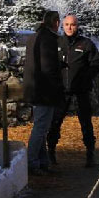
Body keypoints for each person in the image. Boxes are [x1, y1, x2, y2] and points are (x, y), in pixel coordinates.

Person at [47, 14, 99, 167]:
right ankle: (51, 151)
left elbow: (97, 63)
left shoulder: (86, 44)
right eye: (66, 25)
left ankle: (90, 153)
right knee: (55, 121)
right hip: (61, 90)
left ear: (77, 26)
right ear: (62, 26)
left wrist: (86, 76)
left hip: (81, 89)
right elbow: (48, 64)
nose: (70, 27)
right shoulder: (56, 43)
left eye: (72, 24)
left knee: (85, 121)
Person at [23, 11, 65, 176]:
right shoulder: (48, 39)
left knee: (40, 126)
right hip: (45, 90)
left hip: (34, 88)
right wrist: (58, 83)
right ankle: (32, 162)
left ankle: (41, 161)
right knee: (41, 128)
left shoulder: (35, 36)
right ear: (55, 22)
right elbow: (47, 67)